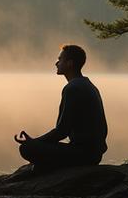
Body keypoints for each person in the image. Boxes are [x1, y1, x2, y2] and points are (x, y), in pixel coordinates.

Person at [14, 44, 108, 172]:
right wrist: (37, 142)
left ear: (70, 63)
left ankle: (48, 168)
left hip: (84, 155)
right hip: (93, 153)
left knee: (26, 149)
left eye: (60, 60)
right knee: (35, 147)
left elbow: (62, 131)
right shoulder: (86, 84)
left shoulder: (73, 89)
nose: (56, 63)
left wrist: (34, 143)